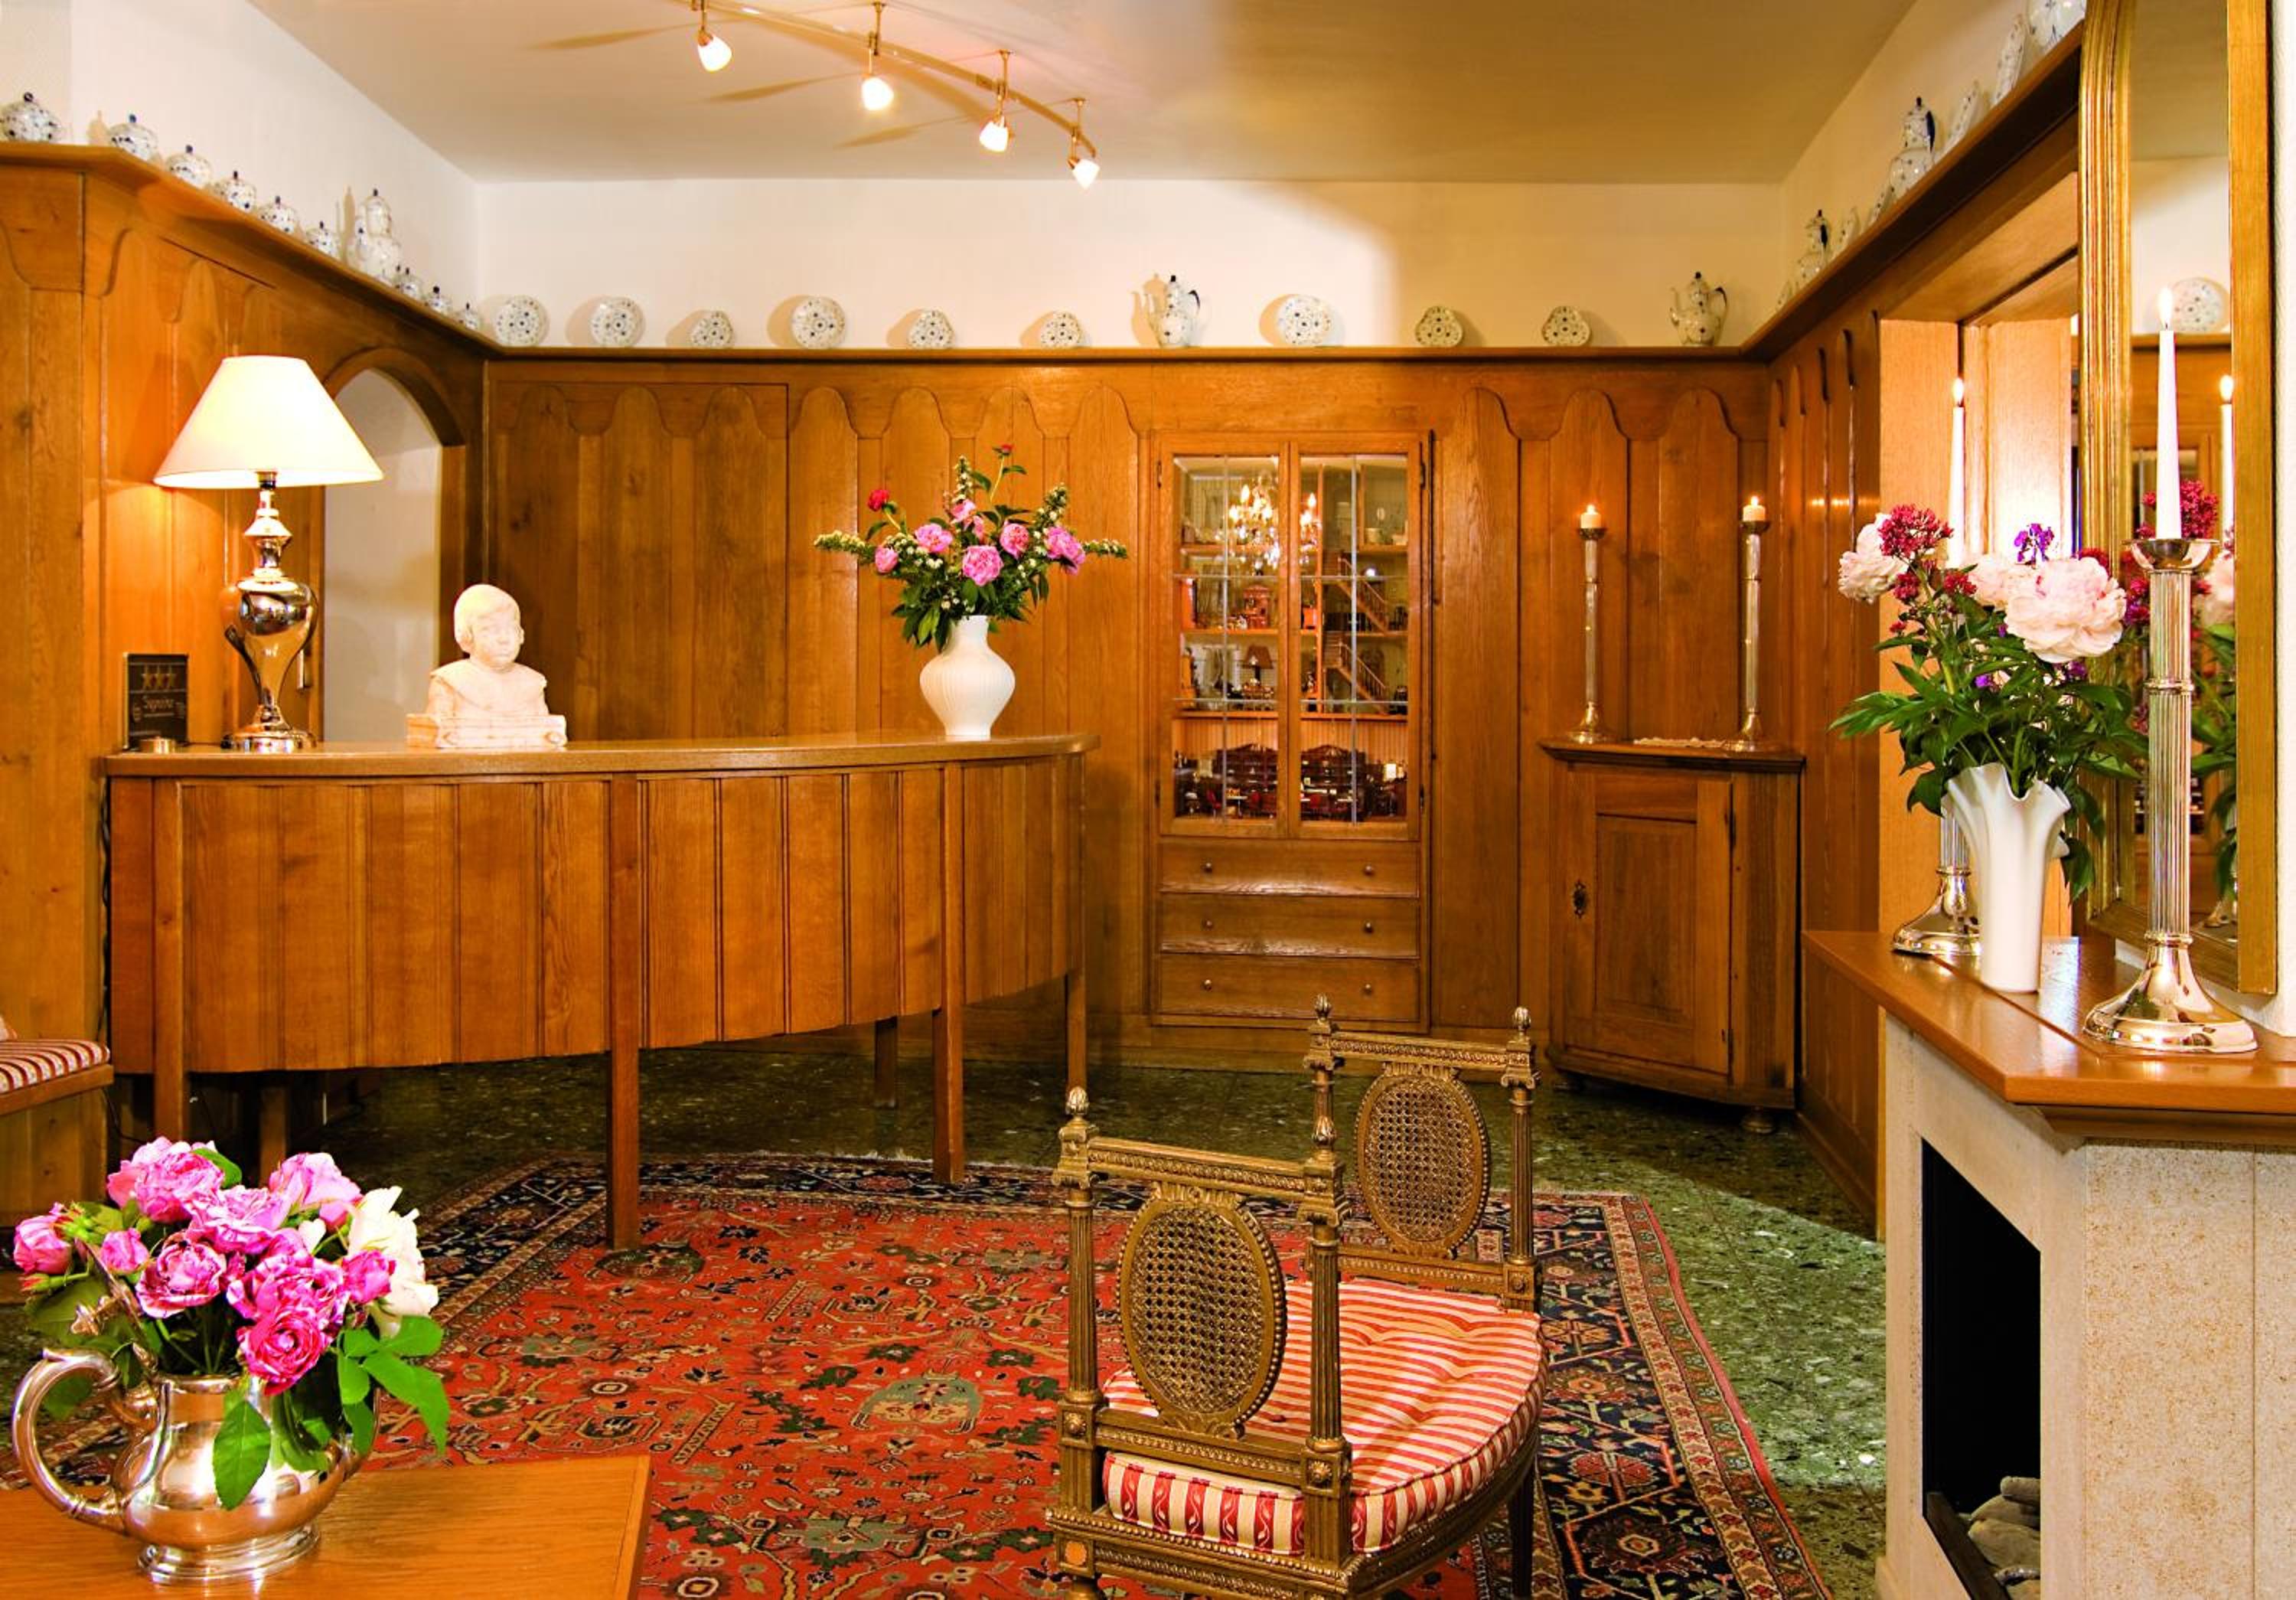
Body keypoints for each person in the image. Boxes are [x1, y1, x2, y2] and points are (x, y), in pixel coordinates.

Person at [406, 584, 566, 749]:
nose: (504, 639)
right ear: (467, 636)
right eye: (490, 630)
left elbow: (547, 739)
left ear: (521, 635)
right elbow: (435, 736)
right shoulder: (450, 681)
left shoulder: (532, 682)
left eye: (511, 629)